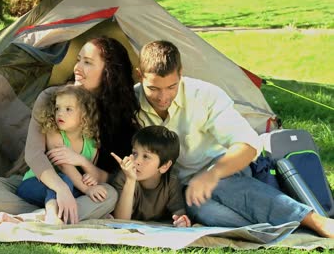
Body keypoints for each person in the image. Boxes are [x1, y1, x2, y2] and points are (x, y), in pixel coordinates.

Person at [134, 40, 334, 238]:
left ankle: (314, 221)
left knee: (225, 187)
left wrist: (212, 175)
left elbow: (247, 145)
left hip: (225, 170)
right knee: (206, 212)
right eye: (153, 89)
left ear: (181, 73)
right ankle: (277, 228)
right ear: (140, 75)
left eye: (171, 87)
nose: (163, 97)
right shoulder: (130, 101)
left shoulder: (204, 95)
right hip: (186, 187)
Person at [0, 36, 141, 224]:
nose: (77, 68)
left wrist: (82, 163)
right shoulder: (52, 98)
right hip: (37, 183)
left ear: (108, 72)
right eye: (78, 59)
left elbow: (108, 177)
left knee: (109, 195)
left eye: (87, 62)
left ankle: (35, 218)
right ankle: (57, 215)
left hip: (80, 190)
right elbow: (34, 154)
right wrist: (61, 189)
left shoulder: (116, 115)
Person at [15, 85, 107, 224]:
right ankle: (53, 213)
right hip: (34, 184)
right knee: (65, 180)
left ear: (84, 115)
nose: (60, 113)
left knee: (105, 193)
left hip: (70, 190)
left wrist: (90, 180)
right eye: (58, 108)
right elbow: (65, 167)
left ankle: (40, 215)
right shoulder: (55, 134)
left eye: (68, 109)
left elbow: (90, 171)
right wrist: (88, 188)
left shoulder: (91, 144)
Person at [110, 125, 190, 227]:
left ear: (165, 166)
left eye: (146, 156)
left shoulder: (171, 181)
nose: (137, 161)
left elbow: (178, 214)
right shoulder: (124, 177)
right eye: (134, 153)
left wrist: (181, 221)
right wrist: (130, 180)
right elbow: (121, 221)